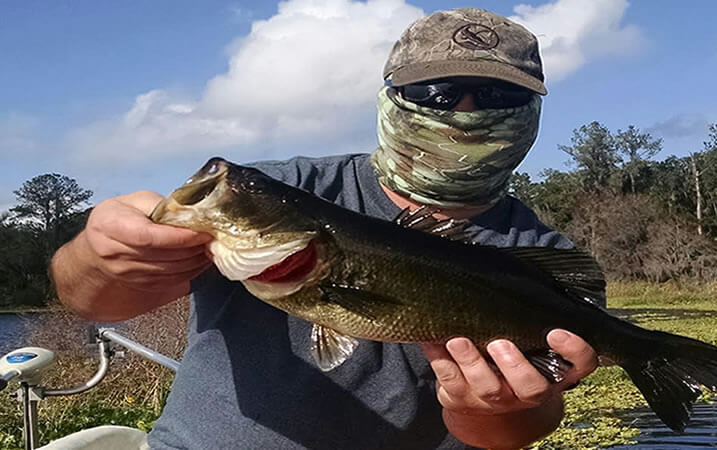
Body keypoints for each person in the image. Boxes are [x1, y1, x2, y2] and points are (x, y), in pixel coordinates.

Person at [51, 8, 600, 450]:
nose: (463, 110)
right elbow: (95, 301)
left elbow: (517, 429)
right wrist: (99, 258)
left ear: (532, 111)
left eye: (498, 97)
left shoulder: (545, 257)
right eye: (434, 93)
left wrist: (491, 411)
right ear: (390, 97)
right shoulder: (279, 189)